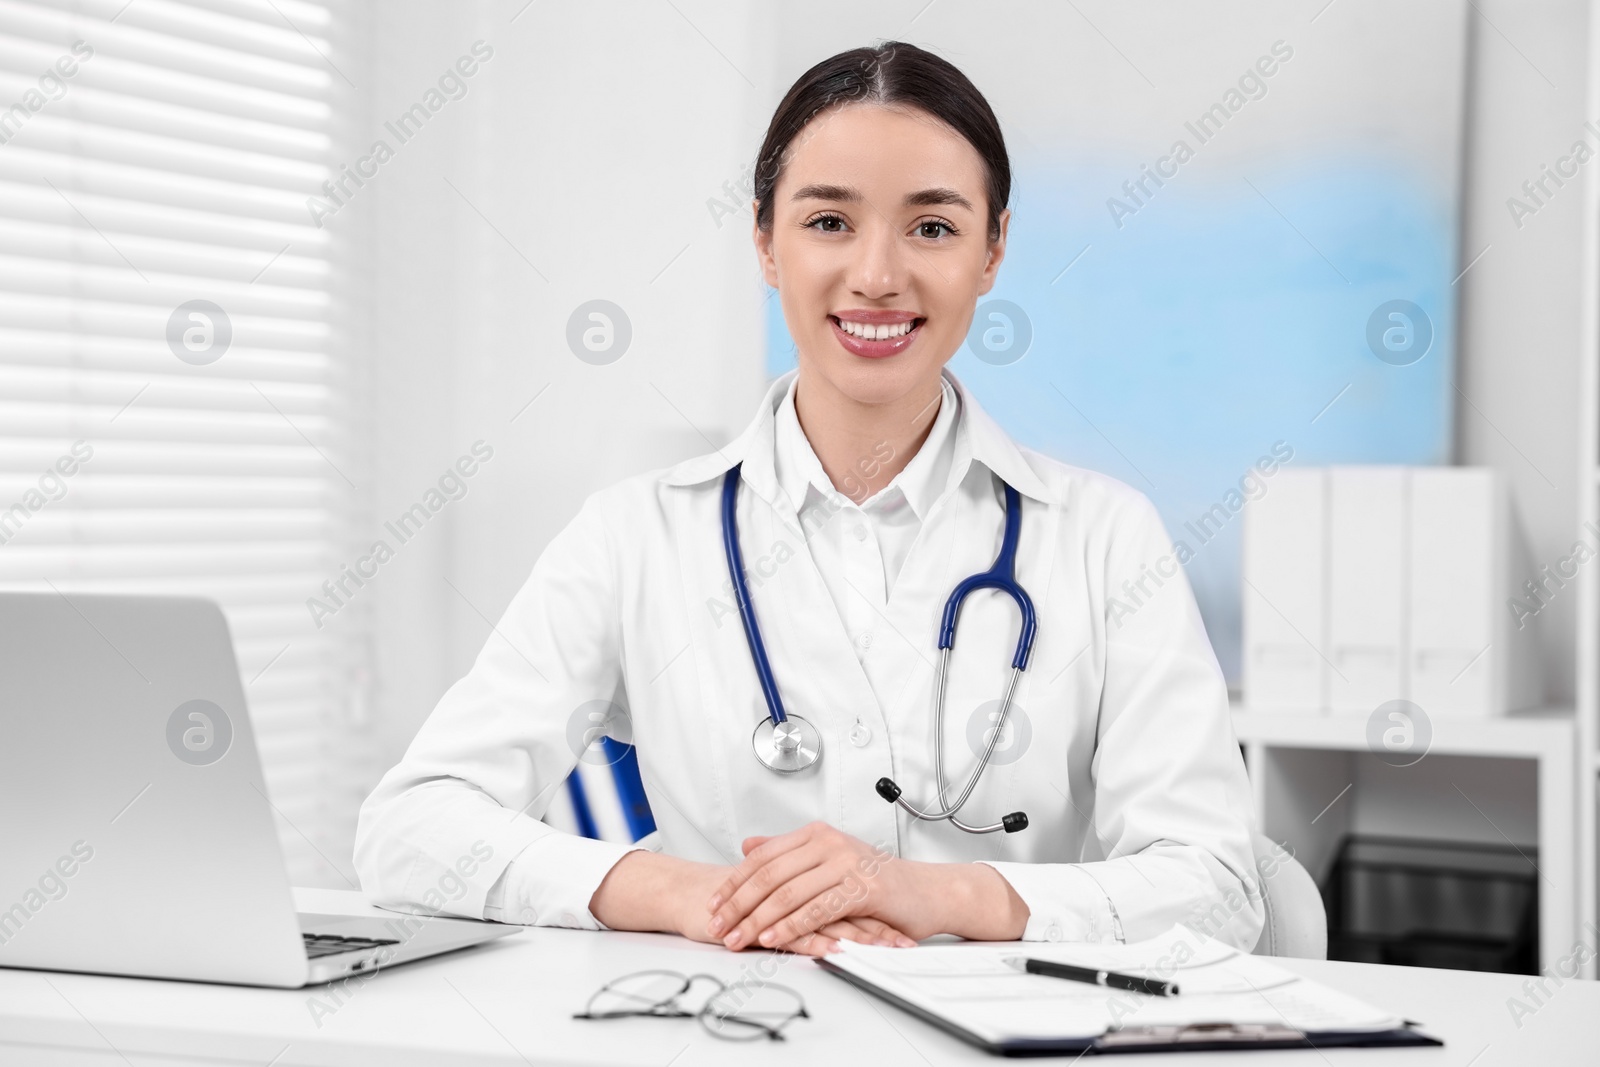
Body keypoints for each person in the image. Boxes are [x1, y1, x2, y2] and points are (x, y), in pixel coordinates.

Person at [354, 40, 1264, 958]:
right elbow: (409, 830)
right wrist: (690, 893)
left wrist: (938, 894)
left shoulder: (1104, 540)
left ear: (992, 253)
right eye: (829, 221)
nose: (876, 275)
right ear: (764, 241)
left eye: (933, 228)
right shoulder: (636, 535)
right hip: (727, 1027)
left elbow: (1219, 887)